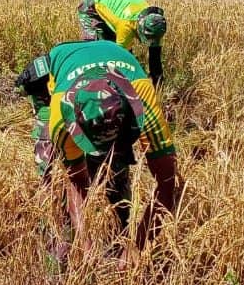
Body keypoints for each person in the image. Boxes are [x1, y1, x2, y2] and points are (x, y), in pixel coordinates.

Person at [16, 40, 180, 263]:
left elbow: (169, 183)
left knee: (116, 169)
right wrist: (86, 245)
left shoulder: (142, 99)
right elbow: (77, 183)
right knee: (50, 174)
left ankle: (118, 229)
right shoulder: (60, 119)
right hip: (55, 72)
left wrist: (138, 246)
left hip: (115, 60)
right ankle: (57, 244)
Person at [76, 0, 168, 86]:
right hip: (91, 7)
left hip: (116, 8)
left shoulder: (155, 24)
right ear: (140, 27)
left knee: (114, 47)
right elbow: (120, 60)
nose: (150, 41)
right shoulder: (126, 26)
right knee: (99, 50)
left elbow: (155, 58)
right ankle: (89, 83)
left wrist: (157, 83)